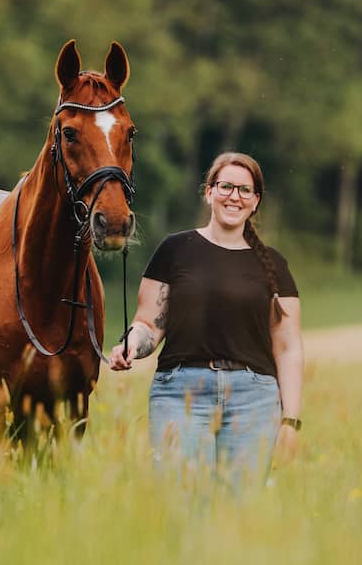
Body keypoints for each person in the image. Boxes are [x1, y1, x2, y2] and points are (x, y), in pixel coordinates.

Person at [109, 151, 304, 491]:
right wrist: (130, 345)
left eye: (245, 190)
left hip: (254, 399)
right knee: (181, 504)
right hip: (180, 393)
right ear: (209, 192)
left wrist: (290, 421)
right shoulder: (175, 249)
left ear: (256, 201)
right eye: (226, 186)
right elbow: (149, 323)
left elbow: (288, 348)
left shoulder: (274, 265)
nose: (234, 196)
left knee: (240, 514)